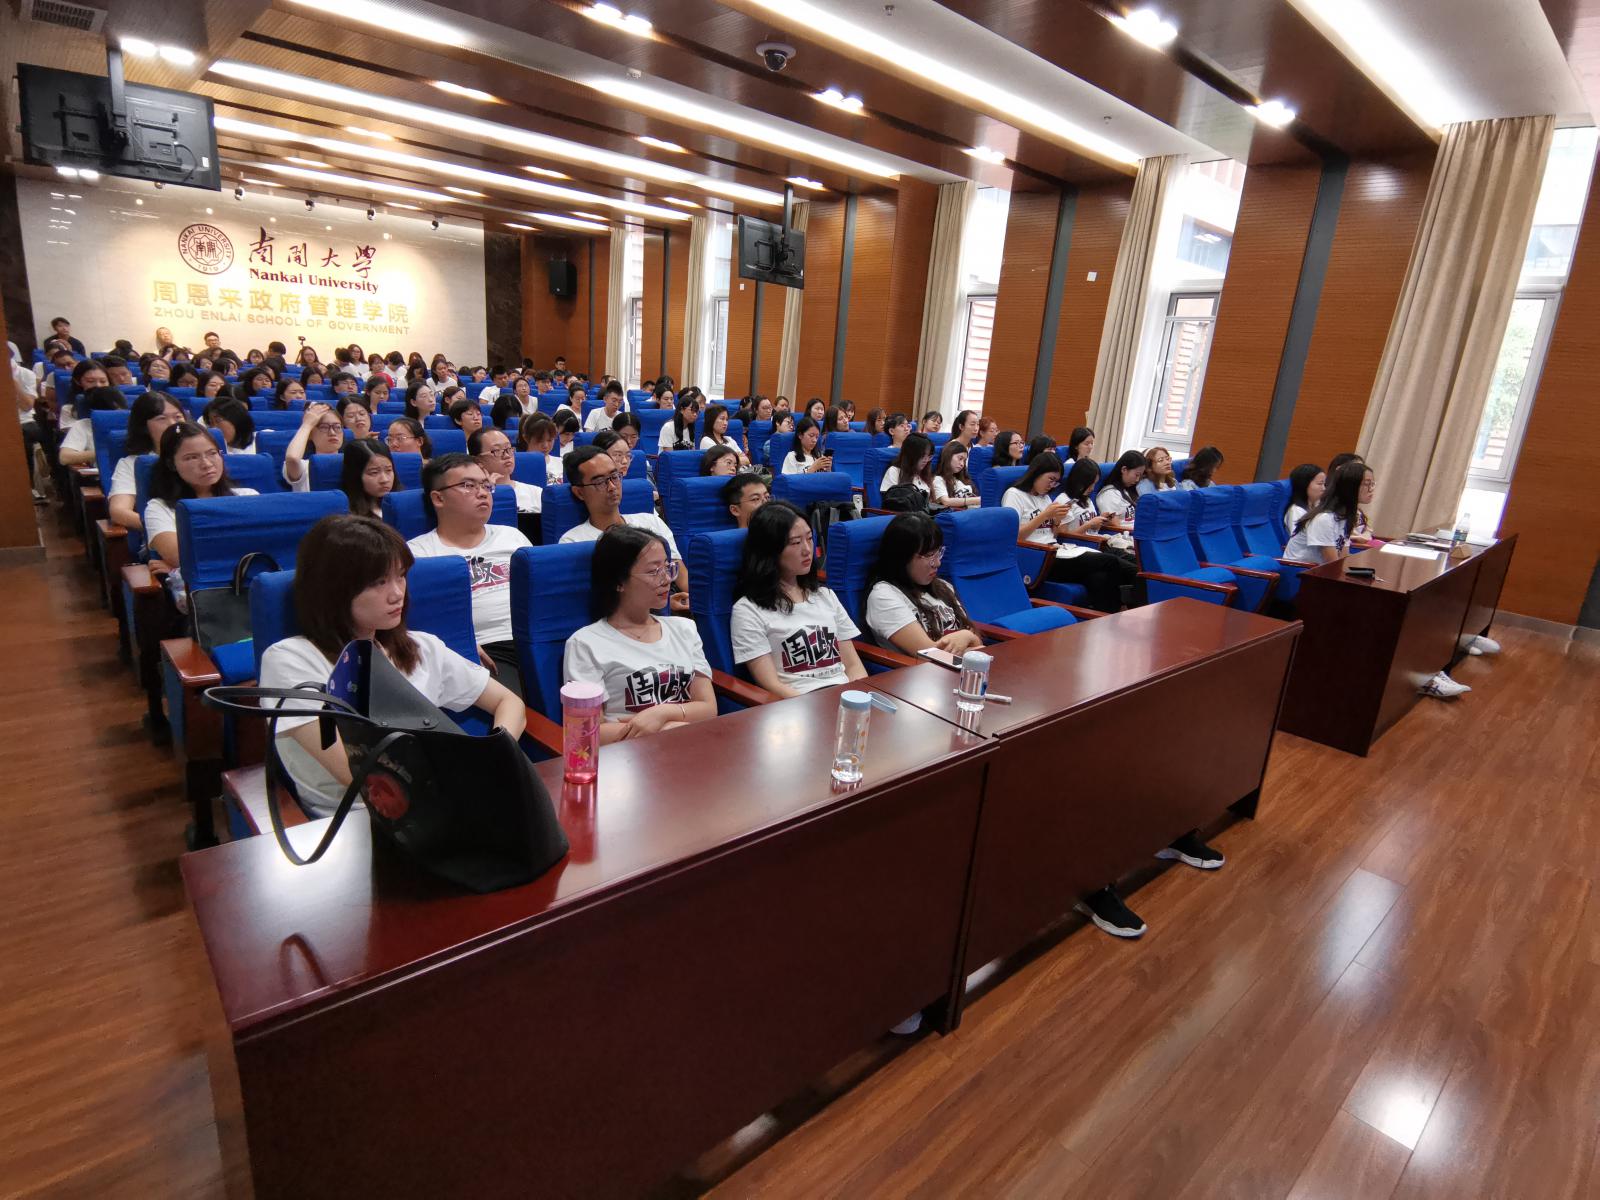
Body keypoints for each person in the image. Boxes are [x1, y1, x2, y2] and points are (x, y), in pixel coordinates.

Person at [258, 514, 523, 815]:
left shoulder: (419, 647)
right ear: (332, 589)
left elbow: (509, 703)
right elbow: (356, 775)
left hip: (449, 801)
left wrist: (493, 756)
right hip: (357, 821)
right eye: (379, 582)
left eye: (401, 576)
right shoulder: (291, 660)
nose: (398, 593)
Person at [562, 526, 717, 744]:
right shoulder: (585, 644)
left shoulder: (684, 629)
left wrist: (662, 715)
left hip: (691, 745)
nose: (667, 579)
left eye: (667, 568)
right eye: (654, 571)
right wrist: (666, 731)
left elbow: (708, 708)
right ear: (618, 582)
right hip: (626, 754)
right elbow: (587, 731)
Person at [406, 453, 531, 697]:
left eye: (485, 485)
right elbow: (415, 620)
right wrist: (457, 642)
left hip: (535, 638)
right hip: (485, 649)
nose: (482, 493)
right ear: (438, 498)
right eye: (468, 485)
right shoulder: (418, 553)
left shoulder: (512, 536)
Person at [732, 502, 868, 697]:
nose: (807, 550)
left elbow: (854, 666)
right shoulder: (748, 610)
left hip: (845, 698)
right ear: (770, 549)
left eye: (810, 538)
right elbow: (770, 684)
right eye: (795, 542)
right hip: (797, 704)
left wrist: (858, 700)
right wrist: (818, 706)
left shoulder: (825, 596)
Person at [560, 447, 691, 611]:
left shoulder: (651, 522)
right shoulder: (573, 541)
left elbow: (681, 578)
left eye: (615, 477)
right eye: (600, 482)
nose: (612, 487)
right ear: (579, 492)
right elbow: (592, 599)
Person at [1002, 452, 1128, 613]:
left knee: (1099, 577)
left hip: (1055, 550)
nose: (1052, 485)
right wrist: (1044, 515)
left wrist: (1056, 521)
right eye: (1051, 479)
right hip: (1037, 556)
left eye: (1056, 482)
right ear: (1037, 472)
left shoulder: (1045, 498)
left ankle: (1103, 617)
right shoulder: (1014, 494)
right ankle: (1117, 612)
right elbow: (1014, 536)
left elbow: (1053, 535)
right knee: (1110, 562)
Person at [864, 512, 984, 656]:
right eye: (929, 555)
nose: (937, 563)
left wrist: (969, 637)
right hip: (928, 669)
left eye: (939, 552)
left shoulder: (942, 586)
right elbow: (931, 655)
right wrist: (967, 637)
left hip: (964, 663)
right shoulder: (883, 596)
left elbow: (976, 641)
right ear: (902, 558)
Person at [144, 422, 259, 569]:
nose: (206, 464)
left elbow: (267, 546)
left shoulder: (249, 496)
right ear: (171, 464)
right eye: (192, 457)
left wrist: (181, 566)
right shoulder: (159, 508)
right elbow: (181, 557)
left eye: (212, 453)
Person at [106, 392, 184, 530]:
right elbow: (118, 512)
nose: (173, 424)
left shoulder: (206, 456)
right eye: (162, 419)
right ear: (144, 426)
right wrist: (165, 529)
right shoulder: (133, 463)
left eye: (178, 417)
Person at [471, 426, 540, 513]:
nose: (507, 455)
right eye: (497, 450)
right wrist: (489, 491)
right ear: (478, 461)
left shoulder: (536, 493)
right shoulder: (471, 497)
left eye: (508, 448)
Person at [284, 401, 347, 491]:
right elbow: (292, 458)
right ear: (310, 434)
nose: (332, 433)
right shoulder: (304, 467)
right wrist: (307, 425)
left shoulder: (353, 463)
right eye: (324, 427)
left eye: (337, 427)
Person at [57, 386, 125, 466]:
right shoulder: (83, 425)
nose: (120, 412)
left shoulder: (131, 423)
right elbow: (64, 458)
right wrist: (104, 453)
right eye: (115, 409)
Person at [338, 438, 398, 518]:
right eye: (374, 472)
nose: (384, 480)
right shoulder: (347, 517)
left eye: (388, 470)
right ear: (355, 476)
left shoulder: (402, 505)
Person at [1096, 451, 1148, 528]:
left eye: (1140, 476)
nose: (1137, 480)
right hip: (1125, 533)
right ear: (1124, 469)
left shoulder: (1128, 490)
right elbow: (1115, 525)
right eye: (1136, 475)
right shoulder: (1109, 494)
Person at [931, 440, 979, 509]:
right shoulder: (938, 479)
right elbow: (946, 501)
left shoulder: (961, 479)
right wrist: (977, 500)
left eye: (964, 461)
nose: (962, 464)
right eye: (960, 459)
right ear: (948, 456)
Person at [1284, 463, 1326, 535]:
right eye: (1320, 484)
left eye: (1324, 484)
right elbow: (1299, 538)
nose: (1324, 488)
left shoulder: (1316, 506)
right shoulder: (1296, 511)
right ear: (1304, 484)